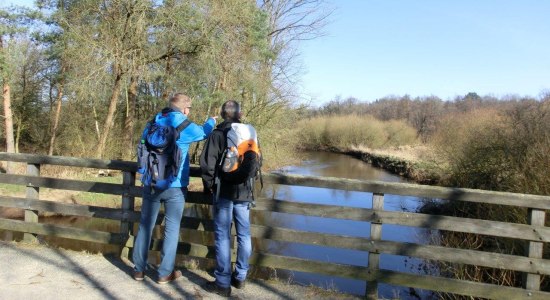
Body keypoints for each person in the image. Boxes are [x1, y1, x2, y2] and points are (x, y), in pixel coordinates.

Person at [132, 93, 216, 283]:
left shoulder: (153, 121)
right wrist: (211, 121)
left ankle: (138, 270)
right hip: (175, 186)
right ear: (185, 109)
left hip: (151, 183)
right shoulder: (184, 125)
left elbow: (144, 143)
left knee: (146, 225)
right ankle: (164, 274)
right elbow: (204, 132)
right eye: (189, 109)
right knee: (171, 229)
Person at [200, 100, 259, 297]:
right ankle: (240, 277)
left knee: (223, 236)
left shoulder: (217, 134)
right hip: (244, 192)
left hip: (223, 191)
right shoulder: (249, 133)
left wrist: (208, 185)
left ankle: (223, 282)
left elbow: (207, 164)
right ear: (239, 114)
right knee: (244, 234)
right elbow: (257, 162)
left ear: (223, 114)